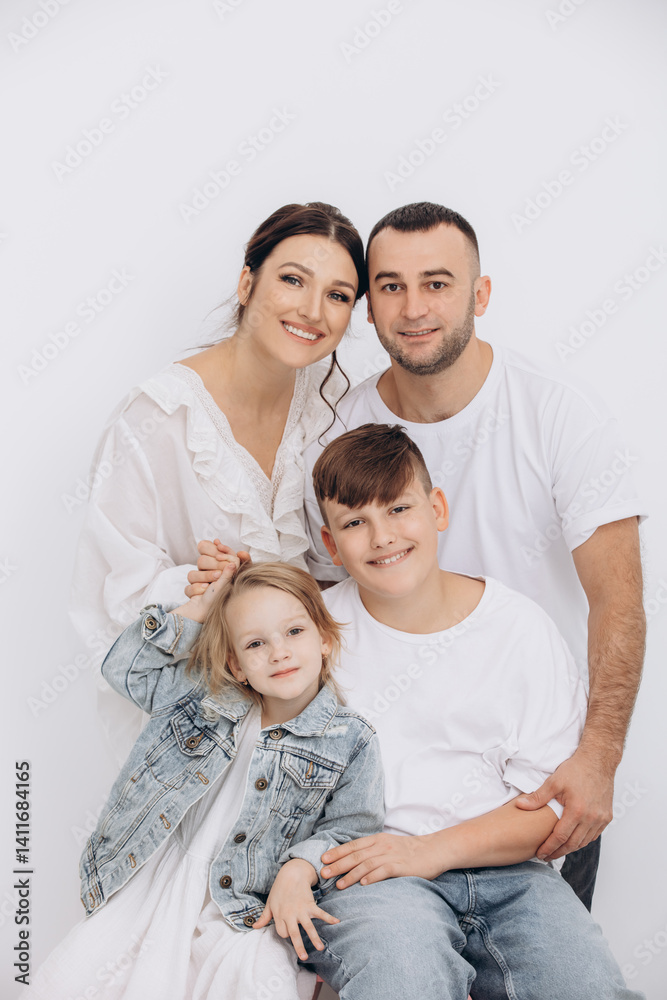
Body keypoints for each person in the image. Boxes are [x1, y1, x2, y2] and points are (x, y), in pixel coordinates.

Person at [302, 202, 647, 908]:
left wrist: (599, 757)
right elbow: (319, 601)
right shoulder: (335, 435)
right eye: (391, 286)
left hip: (538, 783)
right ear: (368, 306)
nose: (413, 308)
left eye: (437, 283)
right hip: (385, 803)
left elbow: (618, 600)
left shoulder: (559, 413)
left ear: (480, 294)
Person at [301, 423, 642, 1000]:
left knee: (582, 983)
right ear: (331, 545)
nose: (383, 537)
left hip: (510, 872)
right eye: (355, 523)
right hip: (372, 872)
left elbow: (554, 804)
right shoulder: (312, 635)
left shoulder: (518, 628)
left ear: (437, 509)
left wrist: (429, 851)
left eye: (399, 509)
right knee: (404, 976)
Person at [70, 201, 367, 760]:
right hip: (193, 733)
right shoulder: (156, 418)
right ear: (247, 283)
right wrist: (208, 586)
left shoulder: (332, 409)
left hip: (313, 729)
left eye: (338, 295)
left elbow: (339, 569)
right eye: (293, 279)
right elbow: (109, 597)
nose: (312, 310)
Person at [27, 562, 384, 1000]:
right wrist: (199, 607)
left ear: (324, 639)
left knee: (255, 983)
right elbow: (125, 670)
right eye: (256, 643)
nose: (278, 652)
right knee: (80, 978)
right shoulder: (201, 697)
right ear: (237, 665)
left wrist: (300, 867)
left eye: (294, 632)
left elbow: (352, 828)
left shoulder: (350, 739)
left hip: (246, 902)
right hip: (157, 878)